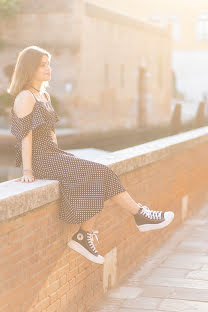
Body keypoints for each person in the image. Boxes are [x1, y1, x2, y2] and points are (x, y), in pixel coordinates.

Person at [8, 46, 174, 265]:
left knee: (98, 174)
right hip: (41, 161)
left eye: (49, 64)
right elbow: (25, 136)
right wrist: (28, 171)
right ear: (29, 69)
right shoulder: (25, 97)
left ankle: (85, 235)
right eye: (42, 65)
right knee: (100, 171)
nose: (48, 68)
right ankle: (138, 215)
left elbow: (50, 133)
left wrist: (66, 157)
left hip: (54, 155)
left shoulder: (44, 95)